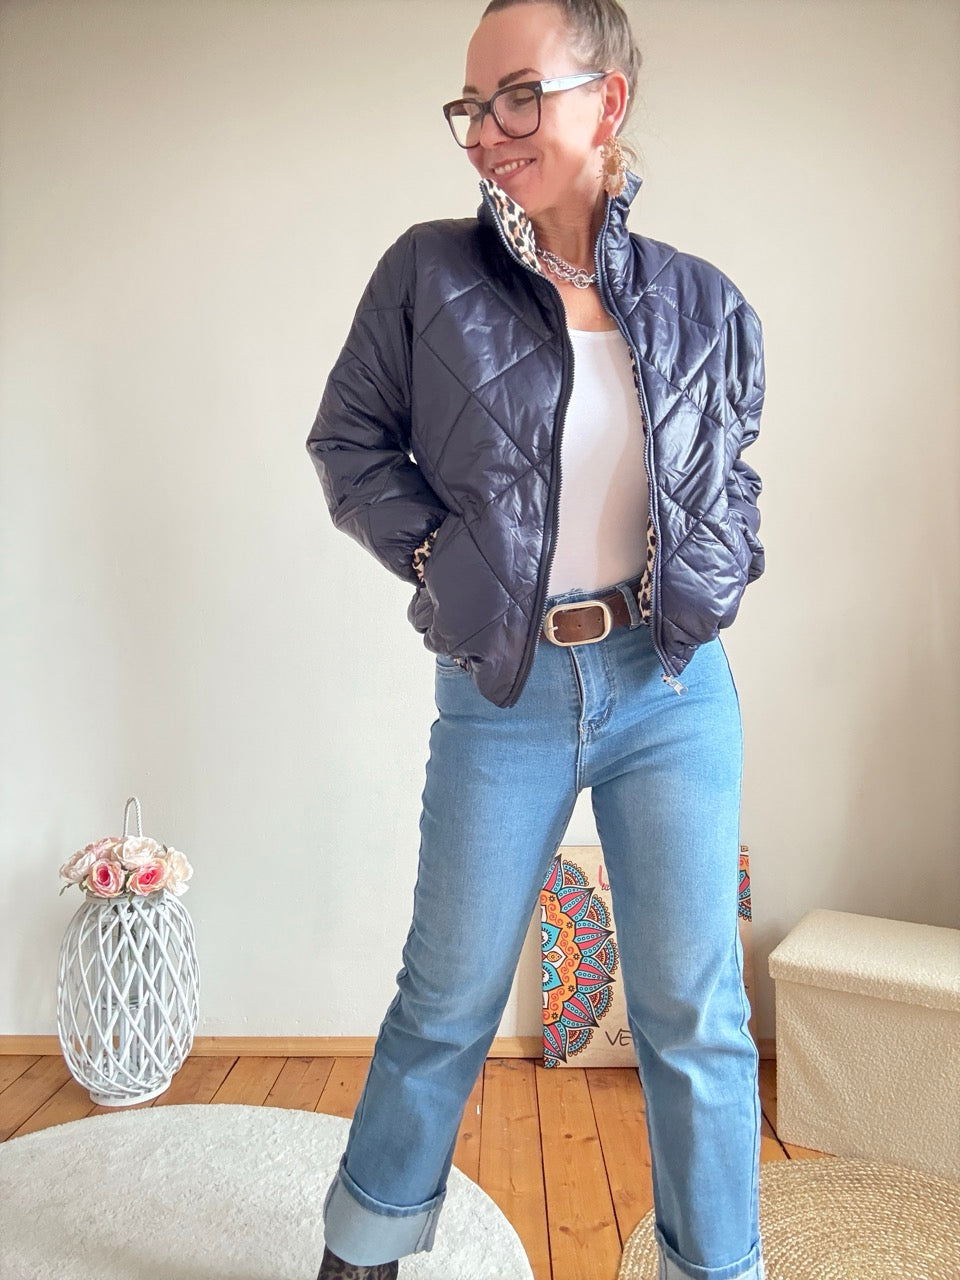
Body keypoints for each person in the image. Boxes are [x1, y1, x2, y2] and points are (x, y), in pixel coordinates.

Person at [305, 1, 767, 1277]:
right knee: (447, 996)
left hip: (668, 683)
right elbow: (348, 441)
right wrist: (439, 562)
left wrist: (720, 569)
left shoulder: (705, 304)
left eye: (518, 95)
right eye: (472, 106)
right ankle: (364, 1248)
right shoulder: (428, 276)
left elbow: (730, 478)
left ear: (606, 101)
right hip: (502, 687)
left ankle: (715, 1265)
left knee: (695, 1014)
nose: (486, 131)